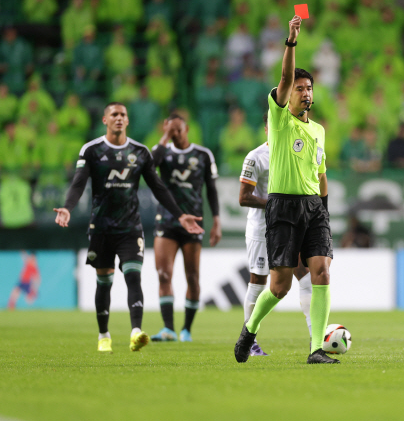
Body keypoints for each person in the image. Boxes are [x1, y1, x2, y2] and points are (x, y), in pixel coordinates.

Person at [54, 103, 204, 353]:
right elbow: (79, 183)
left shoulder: (140, 152)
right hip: (101, 228)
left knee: (133, 276)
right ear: (105, 119)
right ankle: (104, 335)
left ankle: (136, 331)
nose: (119, 118)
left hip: (130, 228)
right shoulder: (91, 150)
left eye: (123, 114)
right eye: (114, 114)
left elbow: (158, 187)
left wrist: (179, 215)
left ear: (128, 120)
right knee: (104, 282)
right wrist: (68, 207)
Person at [234, 15, 337, 364]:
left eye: (309, 88)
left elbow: (321, 174)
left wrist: (324, 208)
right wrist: (291, 41)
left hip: (313, 207)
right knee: (279, 286)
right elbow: (283, 76)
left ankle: (316, 349)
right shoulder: (279, 121)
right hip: (282, 207)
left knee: (321, 272)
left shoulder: (320, 131)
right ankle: (249, 330)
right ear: (287, 94)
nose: (305, 92)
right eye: (299, 88)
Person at [239, 113, 313, 356]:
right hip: (262, 229)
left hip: (291, 227)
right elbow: (243, 198)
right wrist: (276, 205)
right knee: (259, 282)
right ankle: (250, 340)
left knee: (306, 275)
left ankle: (317, 337)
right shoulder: (256, 157)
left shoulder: (294, 152)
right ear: (266, 129)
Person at [149, 113, 222, 343]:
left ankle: (187, 329)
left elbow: (211, 189)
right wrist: (165, 137)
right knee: (163, 274)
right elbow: (150, 166)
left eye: (179, 130)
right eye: (171, 130)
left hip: (193, 223)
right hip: (167, 221)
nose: (175, 134)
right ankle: (168, 328)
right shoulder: (162, 151)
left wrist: (216, 220)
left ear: (187, 128)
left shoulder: (203, 154)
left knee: (192, 276)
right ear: (165, 129)